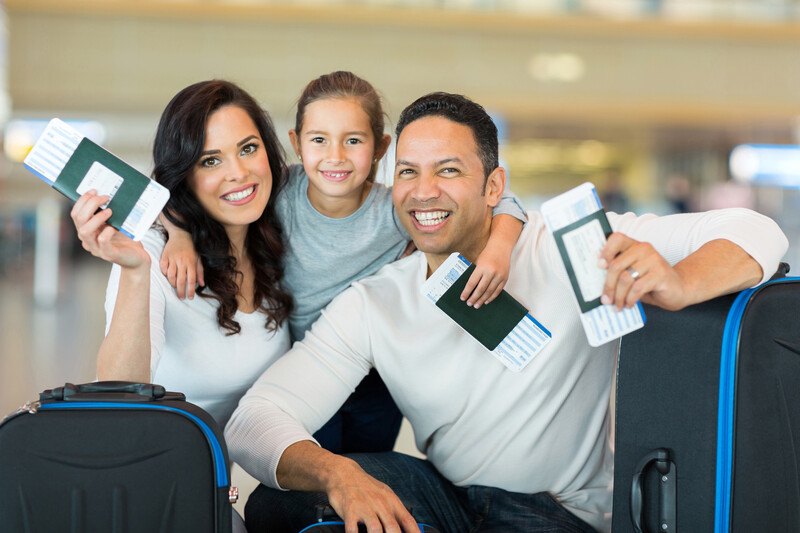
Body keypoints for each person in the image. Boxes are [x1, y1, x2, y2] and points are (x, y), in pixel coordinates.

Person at [223, 91, 788, 533]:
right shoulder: (376, 301)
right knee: (284, 505)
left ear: (495, 185)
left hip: (556, 510)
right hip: (448, 497)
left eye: (448, 170)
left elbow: (756, 230)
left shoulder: (571, 246)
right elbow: (255, 420)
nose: (423, 192)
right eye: (408, 172)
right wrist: (337, 473)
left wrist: (678, 281)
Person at [160, 71, 528, 454]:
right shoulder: (278, 193)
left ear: (381, 148)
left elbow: (502, 199)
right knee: (317, 473)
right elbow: (171, 194)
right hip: (306, 367)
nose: (335, 157)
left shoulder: (396, 210)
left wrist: (499, 247)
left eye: (353, 140)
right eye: (319, 140)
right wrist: (180, 235)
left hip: (377, 375)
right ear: (296, 144)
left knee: (370, 464)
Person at [69, 80, 293, 430]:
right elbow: (115, 396)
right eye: (210, 161)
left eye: (248, 149)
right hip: (152, 473)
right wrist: (136, 270)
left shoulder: (278, 234)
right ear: (184, 176)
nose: (238, 173)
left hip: (216, 479)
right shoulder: (154, 255)